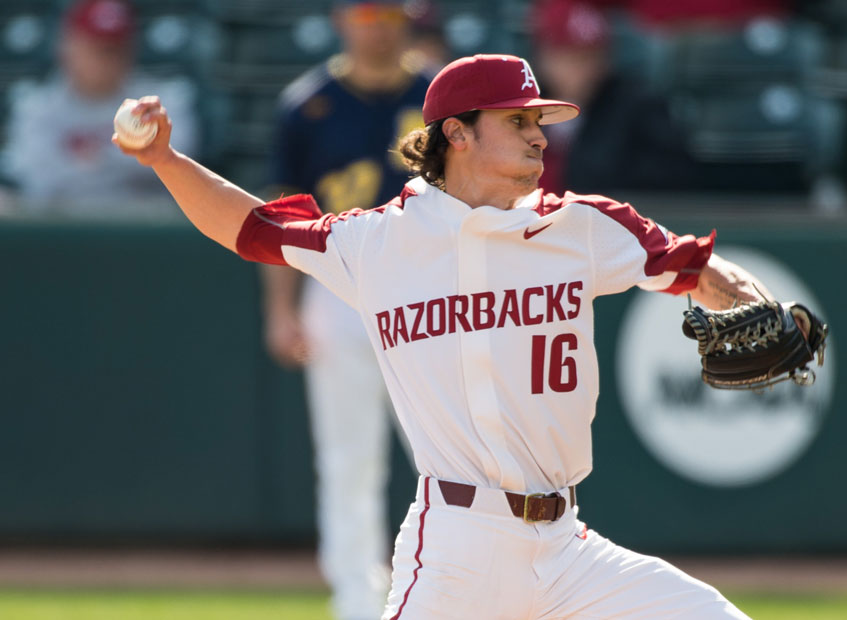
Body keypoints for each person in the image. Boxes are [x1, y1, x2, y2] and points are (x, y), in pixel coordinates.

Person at [115, 54, 784, 618]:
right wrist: (165, 159)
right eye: (517, 121)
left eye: (539, 122)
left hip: (567, 551)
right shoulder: (377, 241)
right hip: (454, 551)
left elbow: (692, 265)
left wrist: (758, 305)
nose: (538, 137)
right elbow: (252, 228)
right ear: (458, 134)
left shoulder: (581, 228)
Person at [261, 2, 429, 618]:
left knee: (445, 454)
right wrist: (282, 310)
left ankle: (452, 585)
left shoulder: (437, 97)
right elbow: (279, 217)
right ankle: (356, 601)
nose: (376, 23)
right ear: (340, 20)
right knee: (346, 458)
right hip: (334, 287)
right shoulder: (307, 105)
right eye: (364, 10)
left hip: (426, 292)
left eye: (387, 10)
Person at [1, 0, 197, 217]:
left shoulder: (159, 102)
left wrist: (87, 160)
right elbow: (35, 177)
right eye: (96, 48)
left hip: (140, 227)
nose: (106, 59)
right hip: (59, 226)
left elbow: (179, 166)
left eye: (115, 49)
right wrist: (122, 162)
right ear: (67, 46)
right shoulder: (36, 106)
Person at [532, 0, 696, 196]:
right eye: (569, 57)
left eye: (591, 56)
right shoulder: (523, 107)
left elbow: (668, 180)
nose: (582, 70)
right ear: (544, 57)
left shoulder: (638, 108)